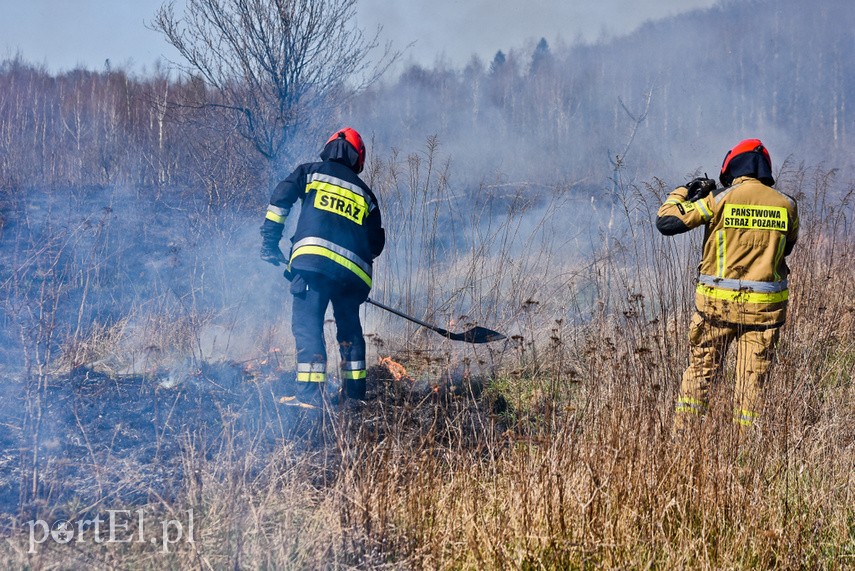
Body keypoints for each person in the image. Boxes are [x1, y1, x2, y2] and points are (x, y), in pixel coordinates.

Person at [656, 139, 798, 434]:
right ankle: (746, 453)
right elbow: (787, 247)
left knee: (700, 377)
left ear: (732, 166)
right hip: (763, 315)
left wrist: (686, 191)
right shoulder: (787, 205)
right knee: (752, 387)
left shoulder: (719, 200)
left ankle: (684, 442)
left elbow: (667, 223)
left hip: (714, 310)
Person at [260, 127, 385, 409]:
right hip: (352, 277)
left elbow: (280, 198)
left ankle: (310, 397)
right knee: (350, 332)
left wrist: (270, 243)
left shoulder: (309, 172)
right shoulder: (367, 196)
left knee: (308, 327)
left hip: (312, 267)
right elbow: (376, 244)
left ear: (328, 148)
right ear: (358, 159)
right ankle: (354, 398)